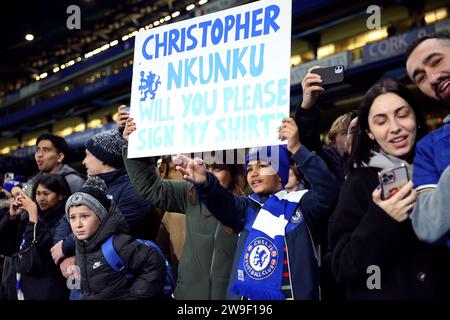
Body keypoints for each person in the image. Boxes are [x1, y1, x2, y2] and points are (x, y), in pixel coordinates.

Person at [174, 117, 338, 300]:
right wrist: (205, 183)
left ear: (281, 173)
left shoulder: (302, 204)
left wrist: (297, 149)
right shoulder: (246, 207)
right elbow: (222, 202)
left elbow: (328, 190)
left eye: (263, 166)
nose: (254, 173)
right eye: (249, 168)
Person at [328, 78, 450, 299]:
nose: (395, 128)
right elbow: (344, 268)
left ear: (416, 118)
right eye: (381, 121)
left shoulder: (439, 167)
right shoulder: (358, 183)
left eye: (402, 114)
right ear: (369, 133)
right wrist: (383, 219)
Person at [123, 117, 244, 300]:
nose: (207, 173)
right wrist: (136, 147)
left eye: (217, 168)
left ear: (233, 173)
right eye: (204, 166)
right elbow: (150, 187)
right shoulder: (190, 194)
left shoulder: (249, 203)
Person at [50, 129, 157, 298]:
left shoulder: (133, 189)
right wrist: (64, 255)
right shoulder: (89, 187)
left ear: (103, 158)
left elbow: (115, 225)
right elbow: (64, 222)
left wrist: (67, 246)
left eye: (88, 155)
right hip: (83, 280)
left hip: (116, 283)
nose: (84, 161)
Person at [66, 176, 166, 300]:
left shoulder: (118, 243)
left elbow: (155, 263)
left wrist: (136, 296)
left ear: (101, 217)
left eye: (84, 216)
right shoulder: (82, 244)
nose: (78, 224)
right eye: (72, 217)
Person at [405, 32, 450, 244]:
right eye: (421, 77)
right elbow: (428, 226)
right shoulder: (428, 148)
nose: (432, 78)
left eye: (437, 61)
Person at [0, 175, 71, 300]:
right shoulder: (29, 216)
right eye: (38, 193)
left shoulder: (66, 219)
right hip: (19, 287)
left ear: (60, 195)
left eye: (46, 193)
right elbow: (8, 248)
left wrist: (33, 215)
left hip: (47, 289)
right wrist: (11, 218)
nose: (41, 198)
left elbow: (40, 253)